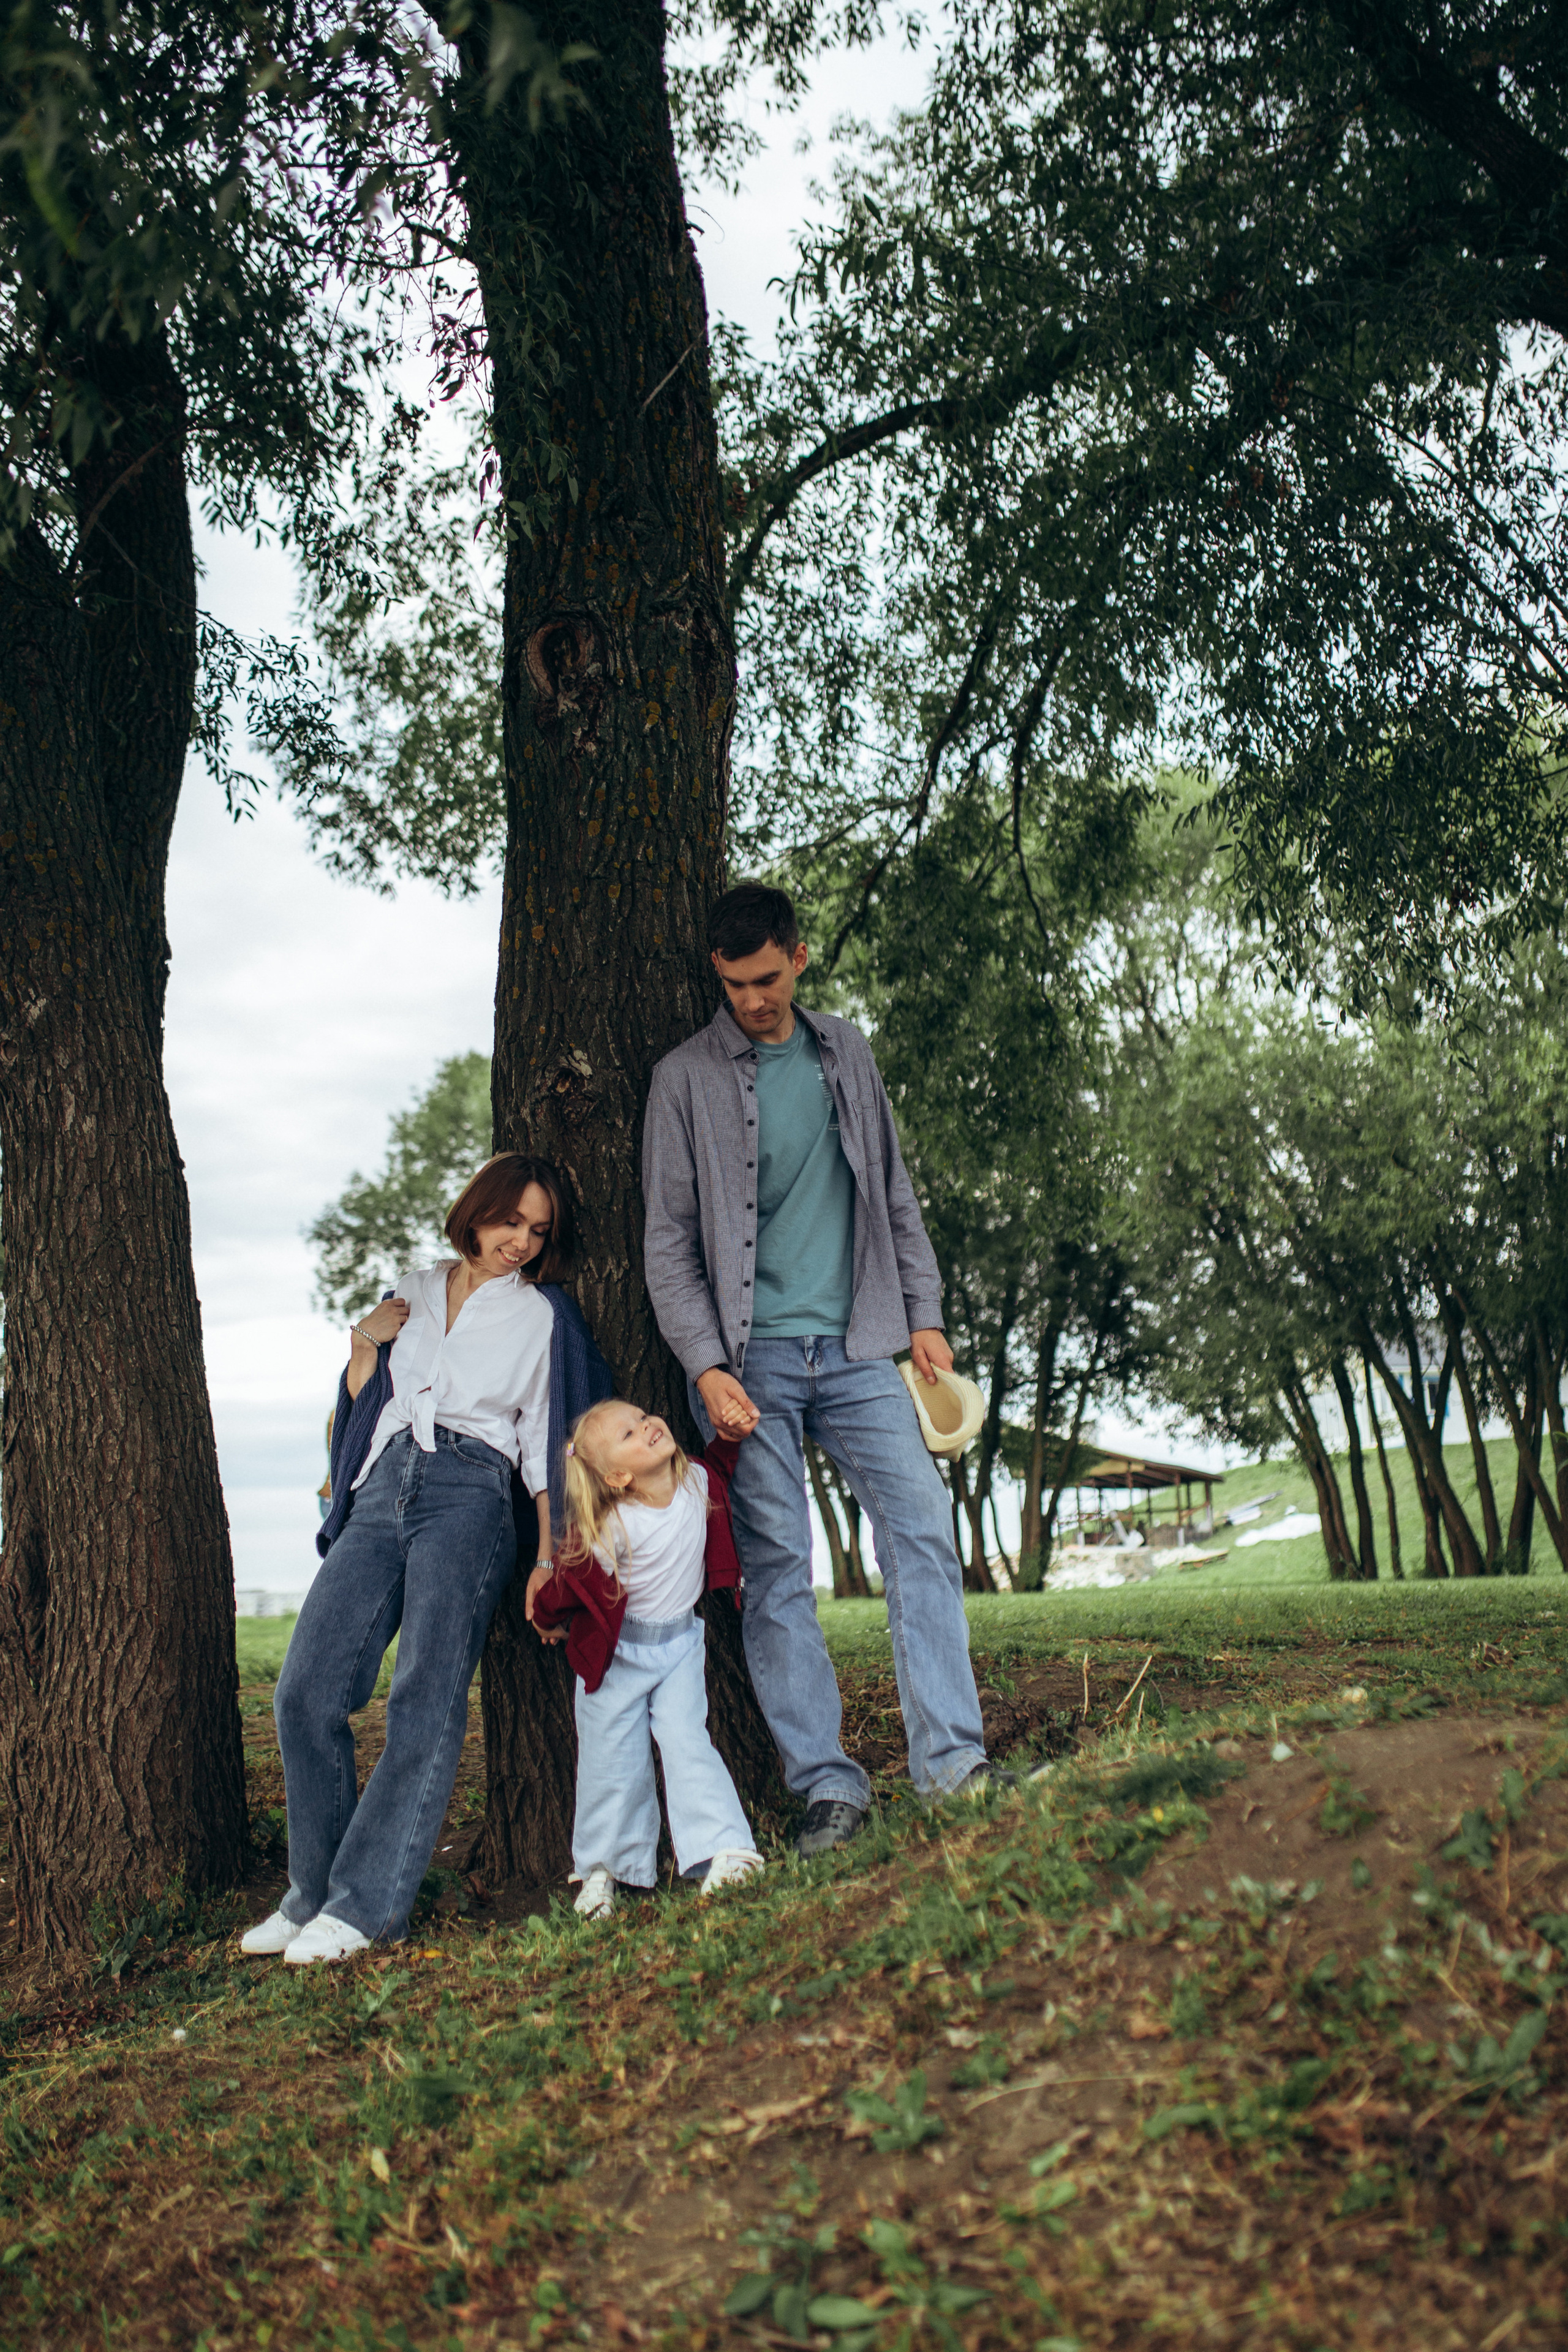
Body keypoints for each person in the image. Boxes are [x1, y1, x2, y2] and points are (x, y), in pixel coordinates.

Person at [643, 882, 1005, 1861]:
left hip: (858, 1348)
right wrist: (707, 1367)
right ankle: (828, 1792)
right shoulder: (682, 1080)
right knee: (776, 1575)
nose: (752, 1000)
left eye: (766, 979)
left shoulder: (846, 1049)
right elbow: (669, 1245)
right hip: (748, 1364)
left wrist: (924, 1319)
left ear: (798, 958)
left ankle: (953, 1767)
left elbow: (894, 1194)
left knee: (924, 1531)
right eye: (733, 985)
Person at [241, 1153, 610, 1966]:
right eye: (511, 1221)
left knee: (426, 1698)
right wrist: (363, 1344)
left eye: (538, 1230)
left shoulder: (543, 1315)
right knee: (305, 1693)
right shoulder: (414, 1284)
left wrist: (551, 1553)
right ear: (476, 1212)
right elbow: (365, 1396)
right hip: (380, 1487)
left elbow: (550, 1439)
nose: (521, 1241)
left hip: (471, 1489)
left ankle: (368, 1908)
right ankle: (313, 1897)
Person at [523, 1399, 763, 1918]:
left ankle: (728, 1849)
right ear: (618, 1476)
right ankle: (604, 1871)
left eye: (644, 1417)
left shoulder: (697, 1480)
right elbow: (571, 1585)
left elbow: (721, 1466)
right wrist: (544, 1613)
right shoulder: (614, 1528)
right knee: (611, 1759)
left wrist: (732, 1438)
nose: (649, 1425)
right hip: (617, 1656)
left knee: (685, 1738)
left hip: (679, 1646)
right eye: (629, 1433)